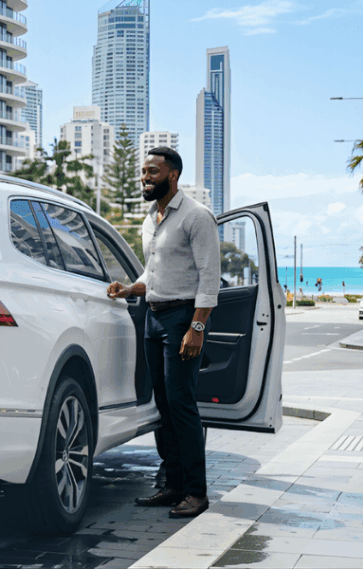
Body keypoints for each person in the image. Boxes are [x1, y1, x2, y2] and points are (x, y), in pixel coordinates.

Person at [106, 146, 220, 518]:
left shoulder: (196, 217)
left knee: (182, 404)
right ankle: (172, 486)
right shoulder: (151, 220)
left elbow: (209, 278)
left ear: (172, 175)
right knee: (163, 406)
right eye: (142, 172)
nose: (144, 178)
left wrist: (197, 327)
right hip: (153, 319)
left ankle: (196, 493)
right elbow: (152, 276)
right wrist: (128, 288)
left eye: (152, 172)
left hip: (183, 318)